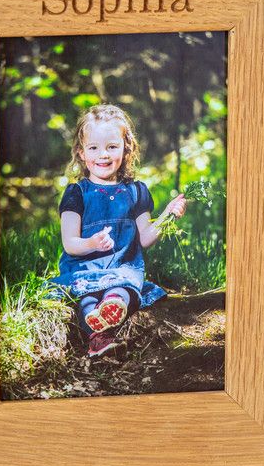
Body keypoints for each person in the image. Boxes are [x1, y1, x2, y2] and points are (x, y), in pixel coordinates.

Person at [50, 104, 186, 357]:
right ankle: (97, 329)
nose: (103, 155)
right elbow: (70, 243)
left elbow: (144, 238)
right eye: (93, 148)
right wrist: (91, 243)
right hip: (85, 270)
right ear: (81, 153)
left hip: (123, 269)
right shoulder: (76, 193)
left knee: (123, 291)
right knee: (87, 299)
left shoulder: (136, 192)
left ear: (126, 148)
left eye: (112, 147)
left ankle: (111, 310)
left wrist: (167, 216)